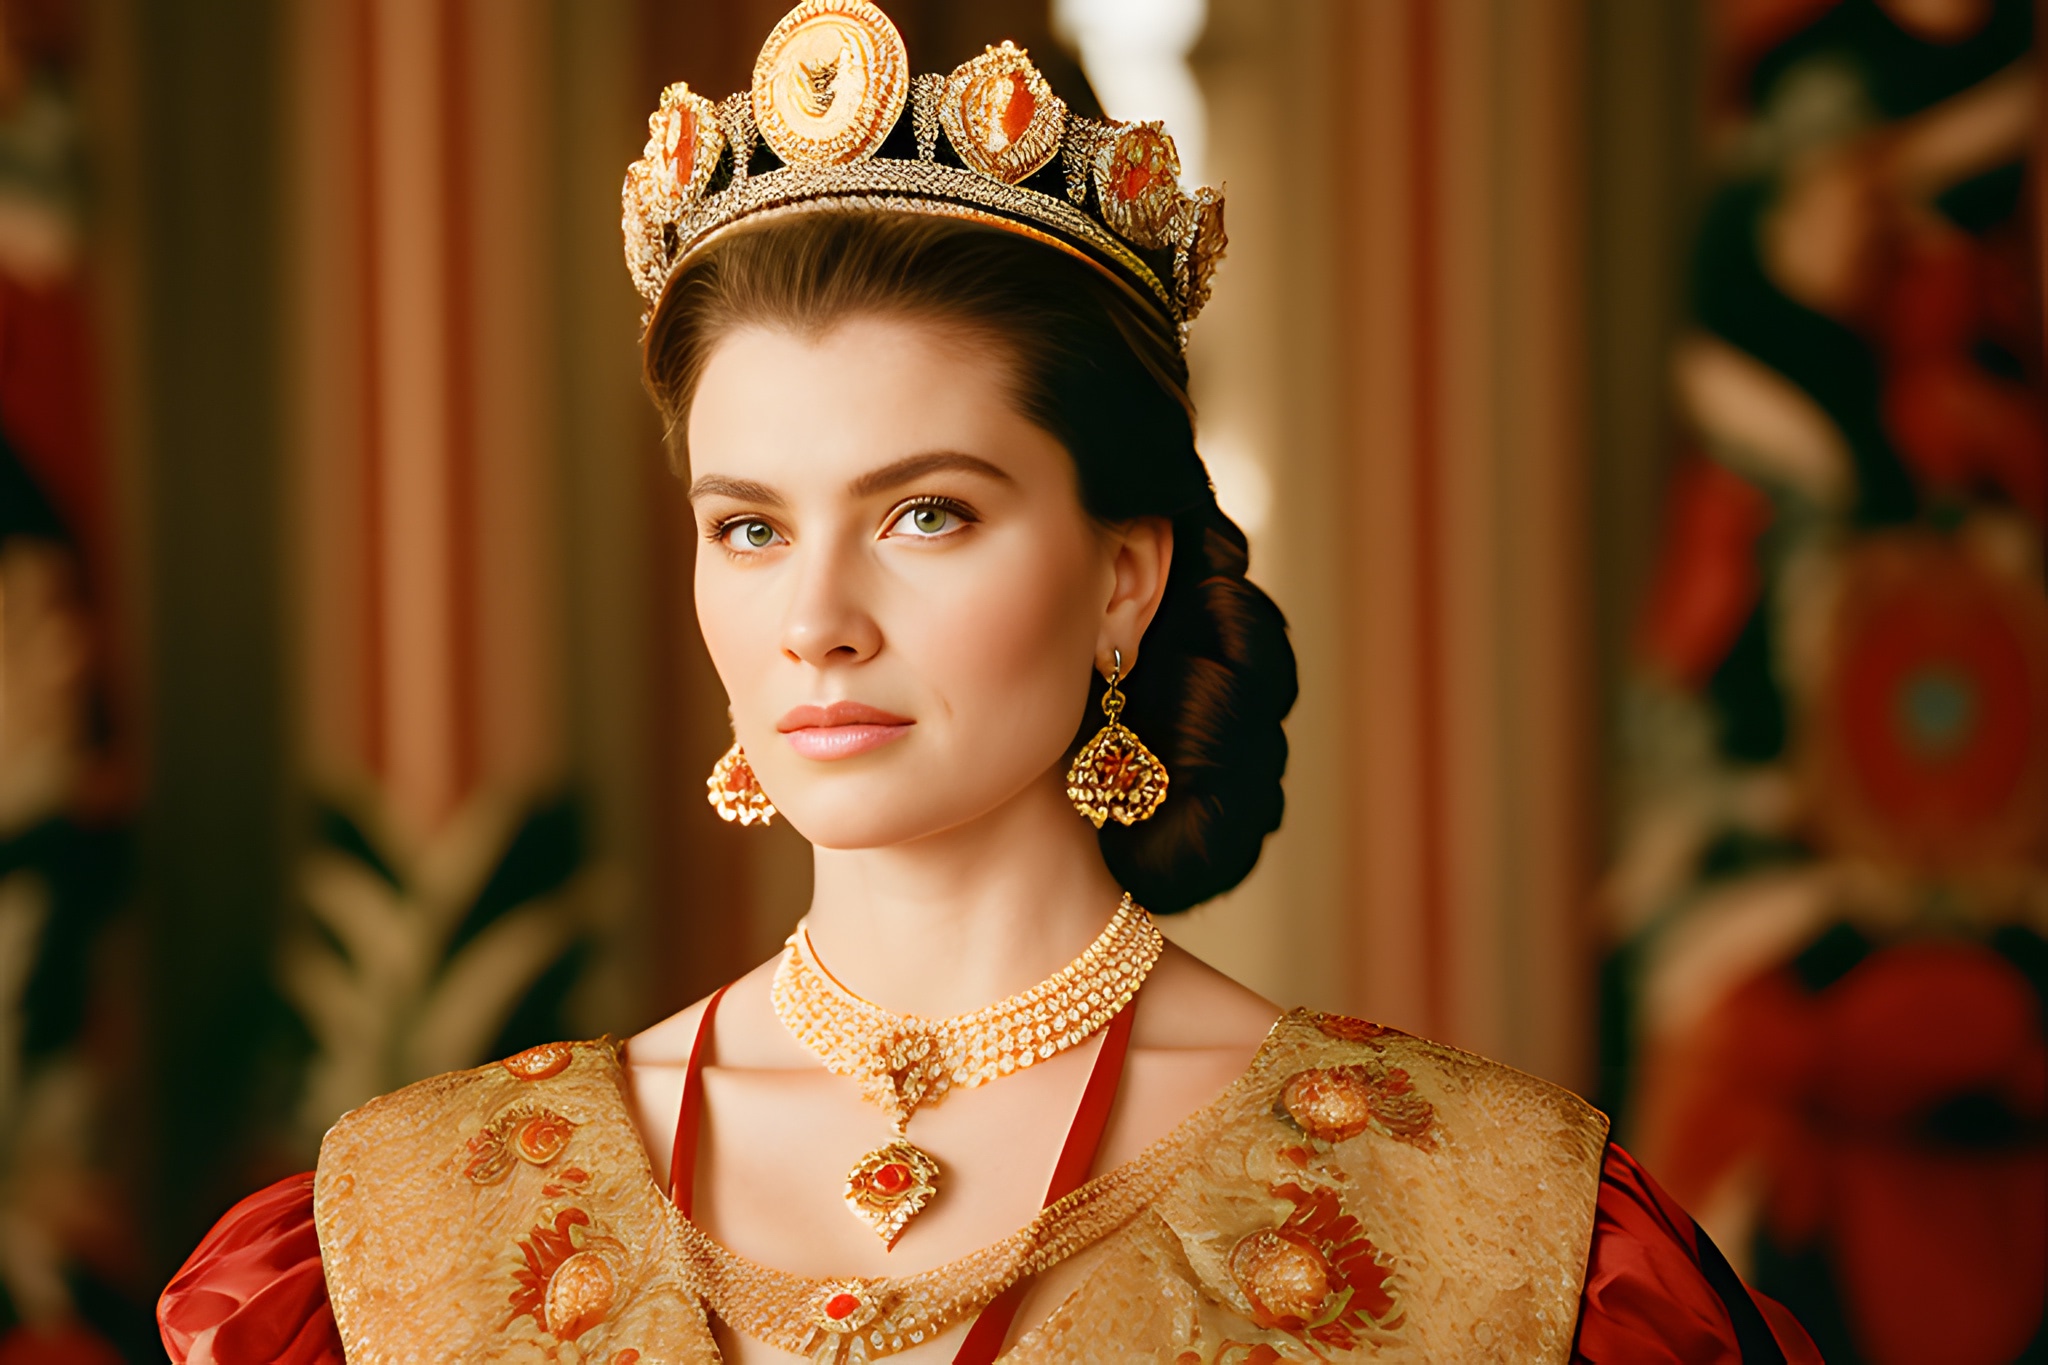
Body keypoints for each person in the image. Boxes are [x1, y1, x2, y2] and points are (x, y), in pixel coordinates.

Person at [156, 4, 1822, 1361]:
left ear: (1123, 576)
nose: (815, 618)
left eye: (926, 513)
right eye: (749, 527)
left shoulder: (1485, 1224)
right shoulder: (411, 1230)